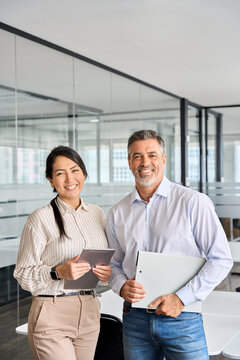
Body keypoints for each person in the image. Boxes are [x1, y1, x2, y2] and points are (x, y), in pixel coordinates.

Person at [106, 129, 233, 360]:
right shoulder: (117, 213)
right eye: (137, 156)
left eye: (152, 155)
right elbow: (113, 264)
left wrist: (182, 298)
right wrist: (121, 286)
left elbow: (221, 259)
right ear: (129, 162)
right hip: (135, 320)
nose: (145, 162)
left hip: (182, 318)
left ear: (164, 159)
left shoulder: (193, 202)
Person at [14, 145, 112, 360]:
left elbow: (106, 266)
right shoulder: (40, 218)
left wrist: (107, 275)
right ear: (51, 180)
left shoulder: (97, 214)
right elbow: (22, 274)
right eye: (60, 173)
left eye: (75, 170)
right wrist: (58, 272)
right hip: (52, 313)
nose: (70, 178)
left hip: (89, 312)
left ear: (84, 174)